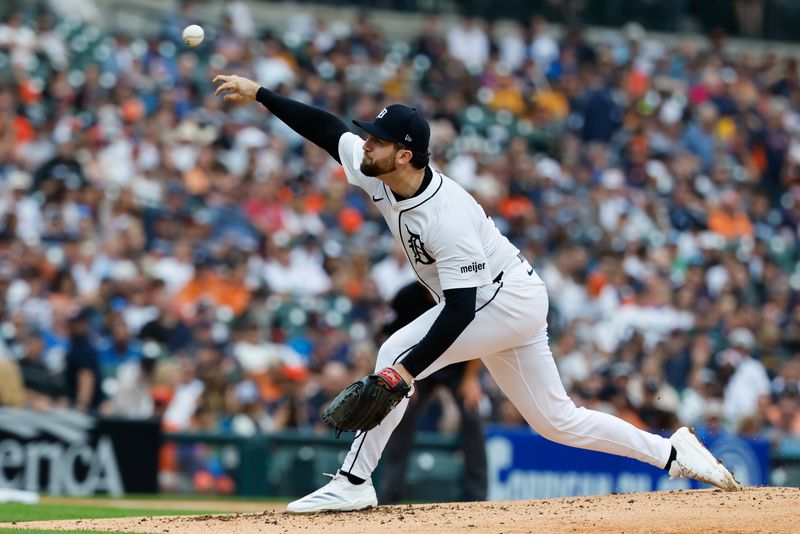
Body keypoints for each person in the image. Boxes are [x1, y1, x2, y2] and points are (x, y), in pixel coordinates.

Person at [212, 74, 742, 513]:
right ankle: (673, 453)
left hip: (503, 298)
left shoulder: (446, 217)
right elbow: (326, 129)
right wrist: (262, 94)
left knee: (394, 354)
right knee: (557, 421)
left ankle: (353, 482)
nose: (364, 143)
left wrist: (405, 372)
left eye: (376, 139)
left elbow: (460, 310)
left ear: (405, 155)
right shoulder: (378, 172)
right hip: (506, 298)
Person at [379, 281, 487, 503]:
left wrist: (471, 378)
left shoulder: (461, 291)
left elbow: (481, 336)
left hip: (458, 365)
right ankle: (391, 493)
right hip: (418, 365)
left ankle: (478, 497)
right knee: (401, 412)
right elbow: (389, 339)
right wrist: (403, 376)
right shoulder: (406, 295)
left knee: (472, 413)